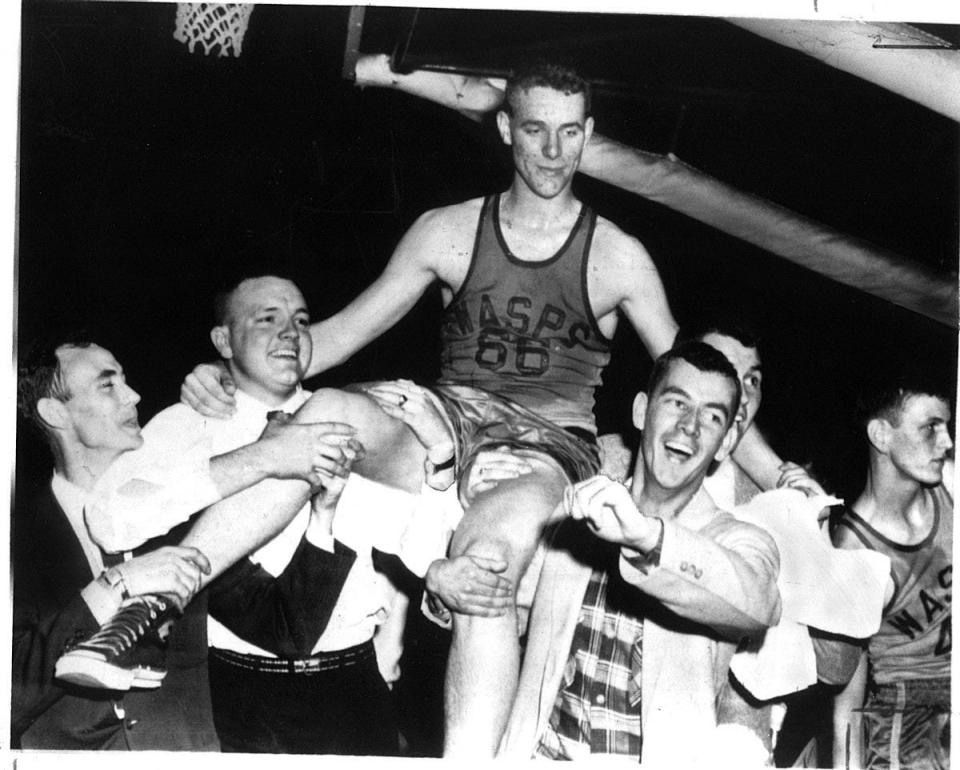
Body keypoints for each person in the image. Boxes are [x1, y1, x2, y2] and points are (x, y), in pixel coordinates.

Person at [178, 62, 792, 756]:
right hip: (451, 416)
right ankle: (159, 588)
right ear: (505, 129)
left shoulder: (618, 257)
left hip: (550, 441)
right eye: (536, 131)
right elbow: (335, 338)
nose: (553, 153)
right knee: (322, 414)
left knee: (489, 565)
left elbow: (700, 383)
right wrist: (227, 368)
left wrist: (781, 476)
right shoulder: (447, 231)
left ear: (588, 136)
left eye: (569, 133)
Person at [82, 274, 522, 754]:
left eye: (302, 321)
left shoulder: (348, 418)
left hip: (351, 685)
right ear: (223, 341)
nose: (290, 333)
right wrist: (260, 458)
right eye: (267, 319)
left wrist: (439, 484)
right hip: (239, 694)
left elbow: (407, 535)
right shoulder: (185, 425)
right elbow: (109, 520)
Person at [498, 340, 781, 764]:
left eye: (712, 416)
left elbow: (759, 604)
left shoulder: (738, 539)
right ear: (640, 411)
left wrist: (648, 538)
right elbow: (503, 601)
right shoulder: (575, 513)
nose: (690, 426)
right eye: (677, 403)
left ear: (725, 443)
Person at [12, 334, 217, 749]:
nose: (134, 396)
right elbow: (10, 692)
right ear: (55, 412)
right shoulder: (15, 539)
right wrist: (114, 585)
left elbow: (282, 629)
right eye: (108, 385)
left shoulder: (182, 513)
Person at [831, 373, 953, 770]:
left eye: (948, 427)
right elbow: (846, 707)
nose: (947, 442)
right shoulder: (854, 552)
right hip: (909, 711)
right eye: (930, 429)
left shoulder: (948, 485)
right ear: (882, 436)